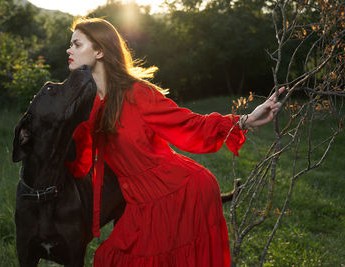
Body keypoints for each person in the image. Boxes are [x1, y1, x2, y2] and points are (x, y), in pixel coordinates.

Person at [65, 17, 284, 267]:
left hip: (182, 192)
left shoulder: (138, 94)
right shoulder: (90, 104)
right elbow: (79, 160)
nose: (69, 50)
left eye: (77, 44)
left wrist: (244, 120)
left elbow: (189, 124)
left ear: (100, 50)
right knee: (109, 258)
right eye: (70, 45)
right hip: (140, 201)